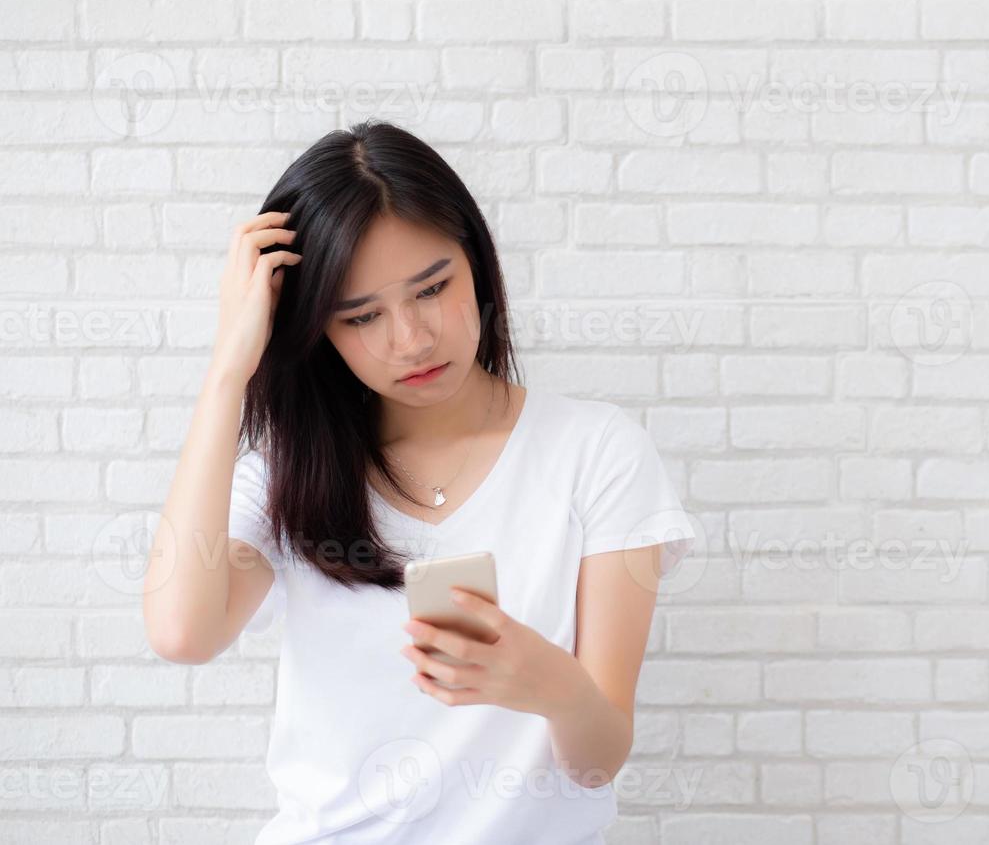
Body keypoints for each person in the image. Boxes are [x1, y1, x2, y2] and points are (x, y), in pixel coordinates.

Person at [141, 120, 697, 844]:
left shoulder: (596, 453)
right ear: (318, 333)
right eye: (362, 315)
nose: (410, 340)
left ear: (477, 261)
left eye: (432, 288)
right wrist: (228, 371)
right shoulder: (290, 474)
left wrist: (548, 684)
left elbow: (596, 763)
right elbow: (182, 634)